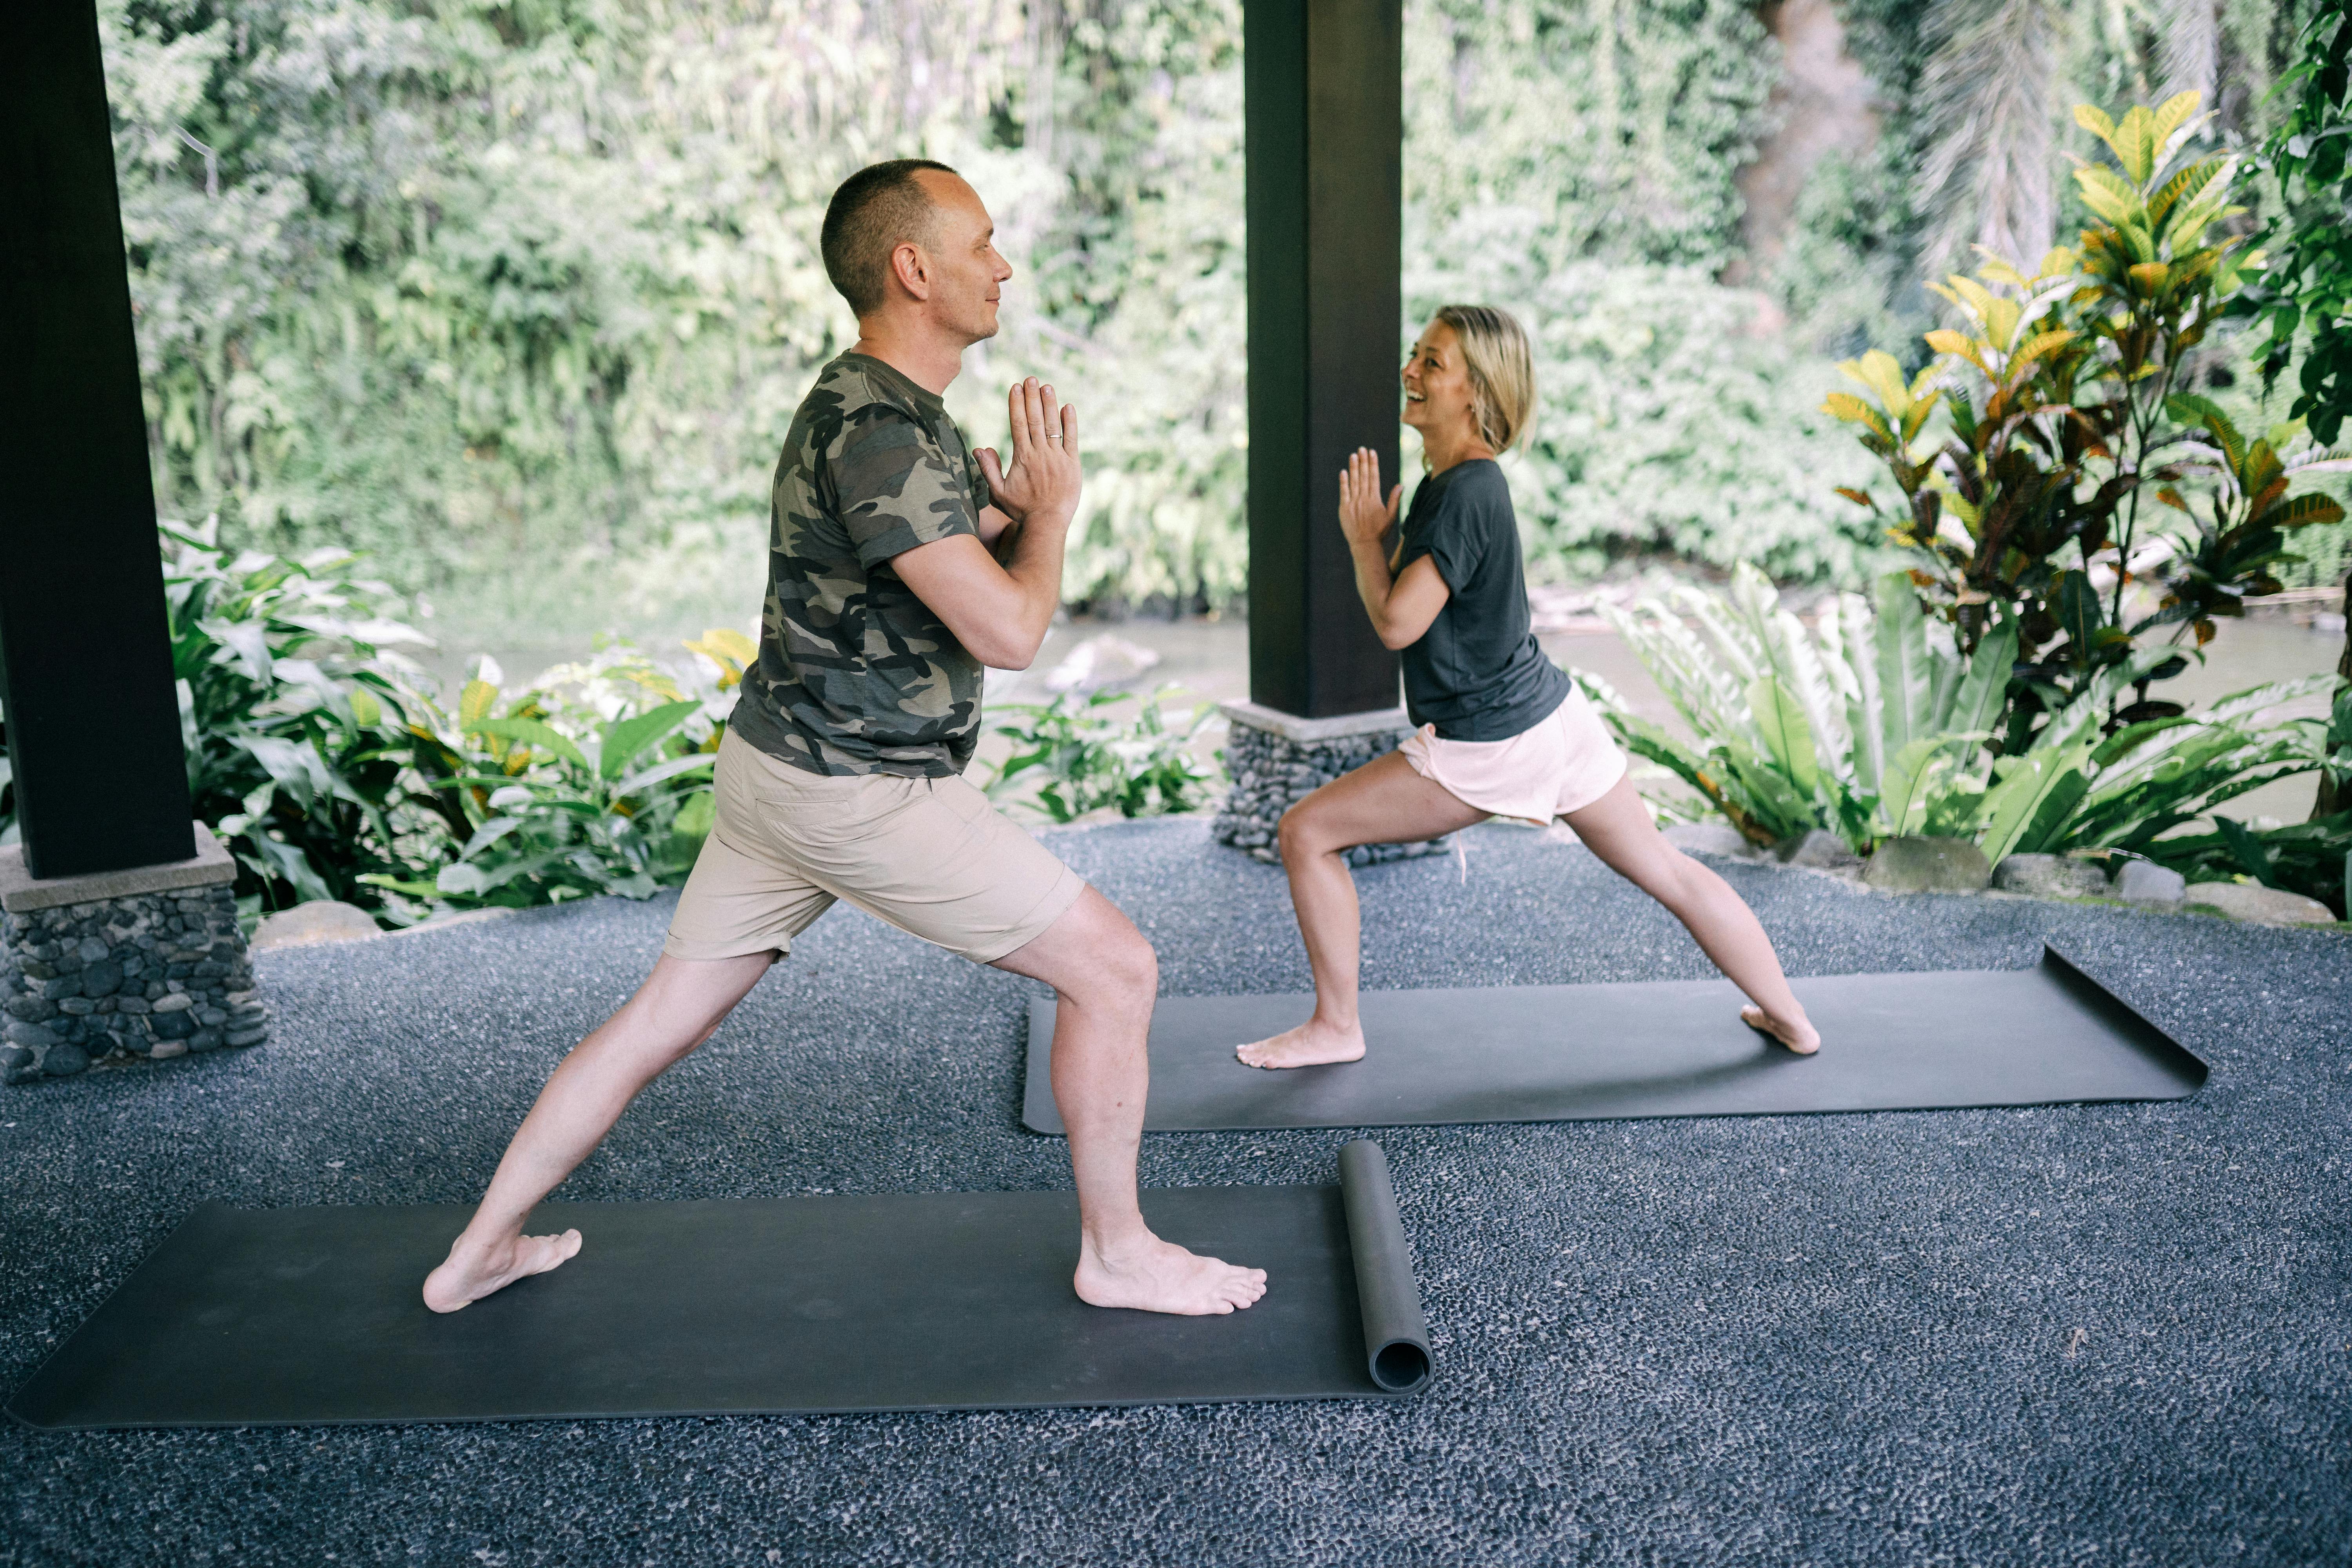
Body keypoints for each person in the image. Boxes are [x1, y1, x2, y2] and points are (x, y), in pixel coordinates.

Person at [424, 160, 1265, 1318]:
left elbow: (900, 555)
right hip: (859, 793)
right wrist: (1055, 518)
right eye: (981, 244)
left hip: (775, 768)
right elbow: (1013, 631)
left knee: (657, 1022)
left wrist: (999, 513)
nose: (1003, 264)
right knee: (1117, 972)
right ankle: (1117, 1254)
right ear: (912, 268)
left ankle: (479, 1250)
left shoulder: (874, 404)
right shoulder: (881, 431)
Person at [1237, 305, 1821, 1071]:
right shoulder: (1453, 484)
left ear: (1476, 391)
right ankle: (1793, 1018)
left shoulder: (1466, 493)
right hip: (1552, 716)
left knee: (1307, 831)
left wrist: (1361, 543)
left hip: (1496, 739)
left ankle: (1337, 1025)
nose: (1411, 371)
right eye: (1415, 355)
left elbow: (1396, 624)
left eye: (1432, 363)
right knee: (1669, 870)